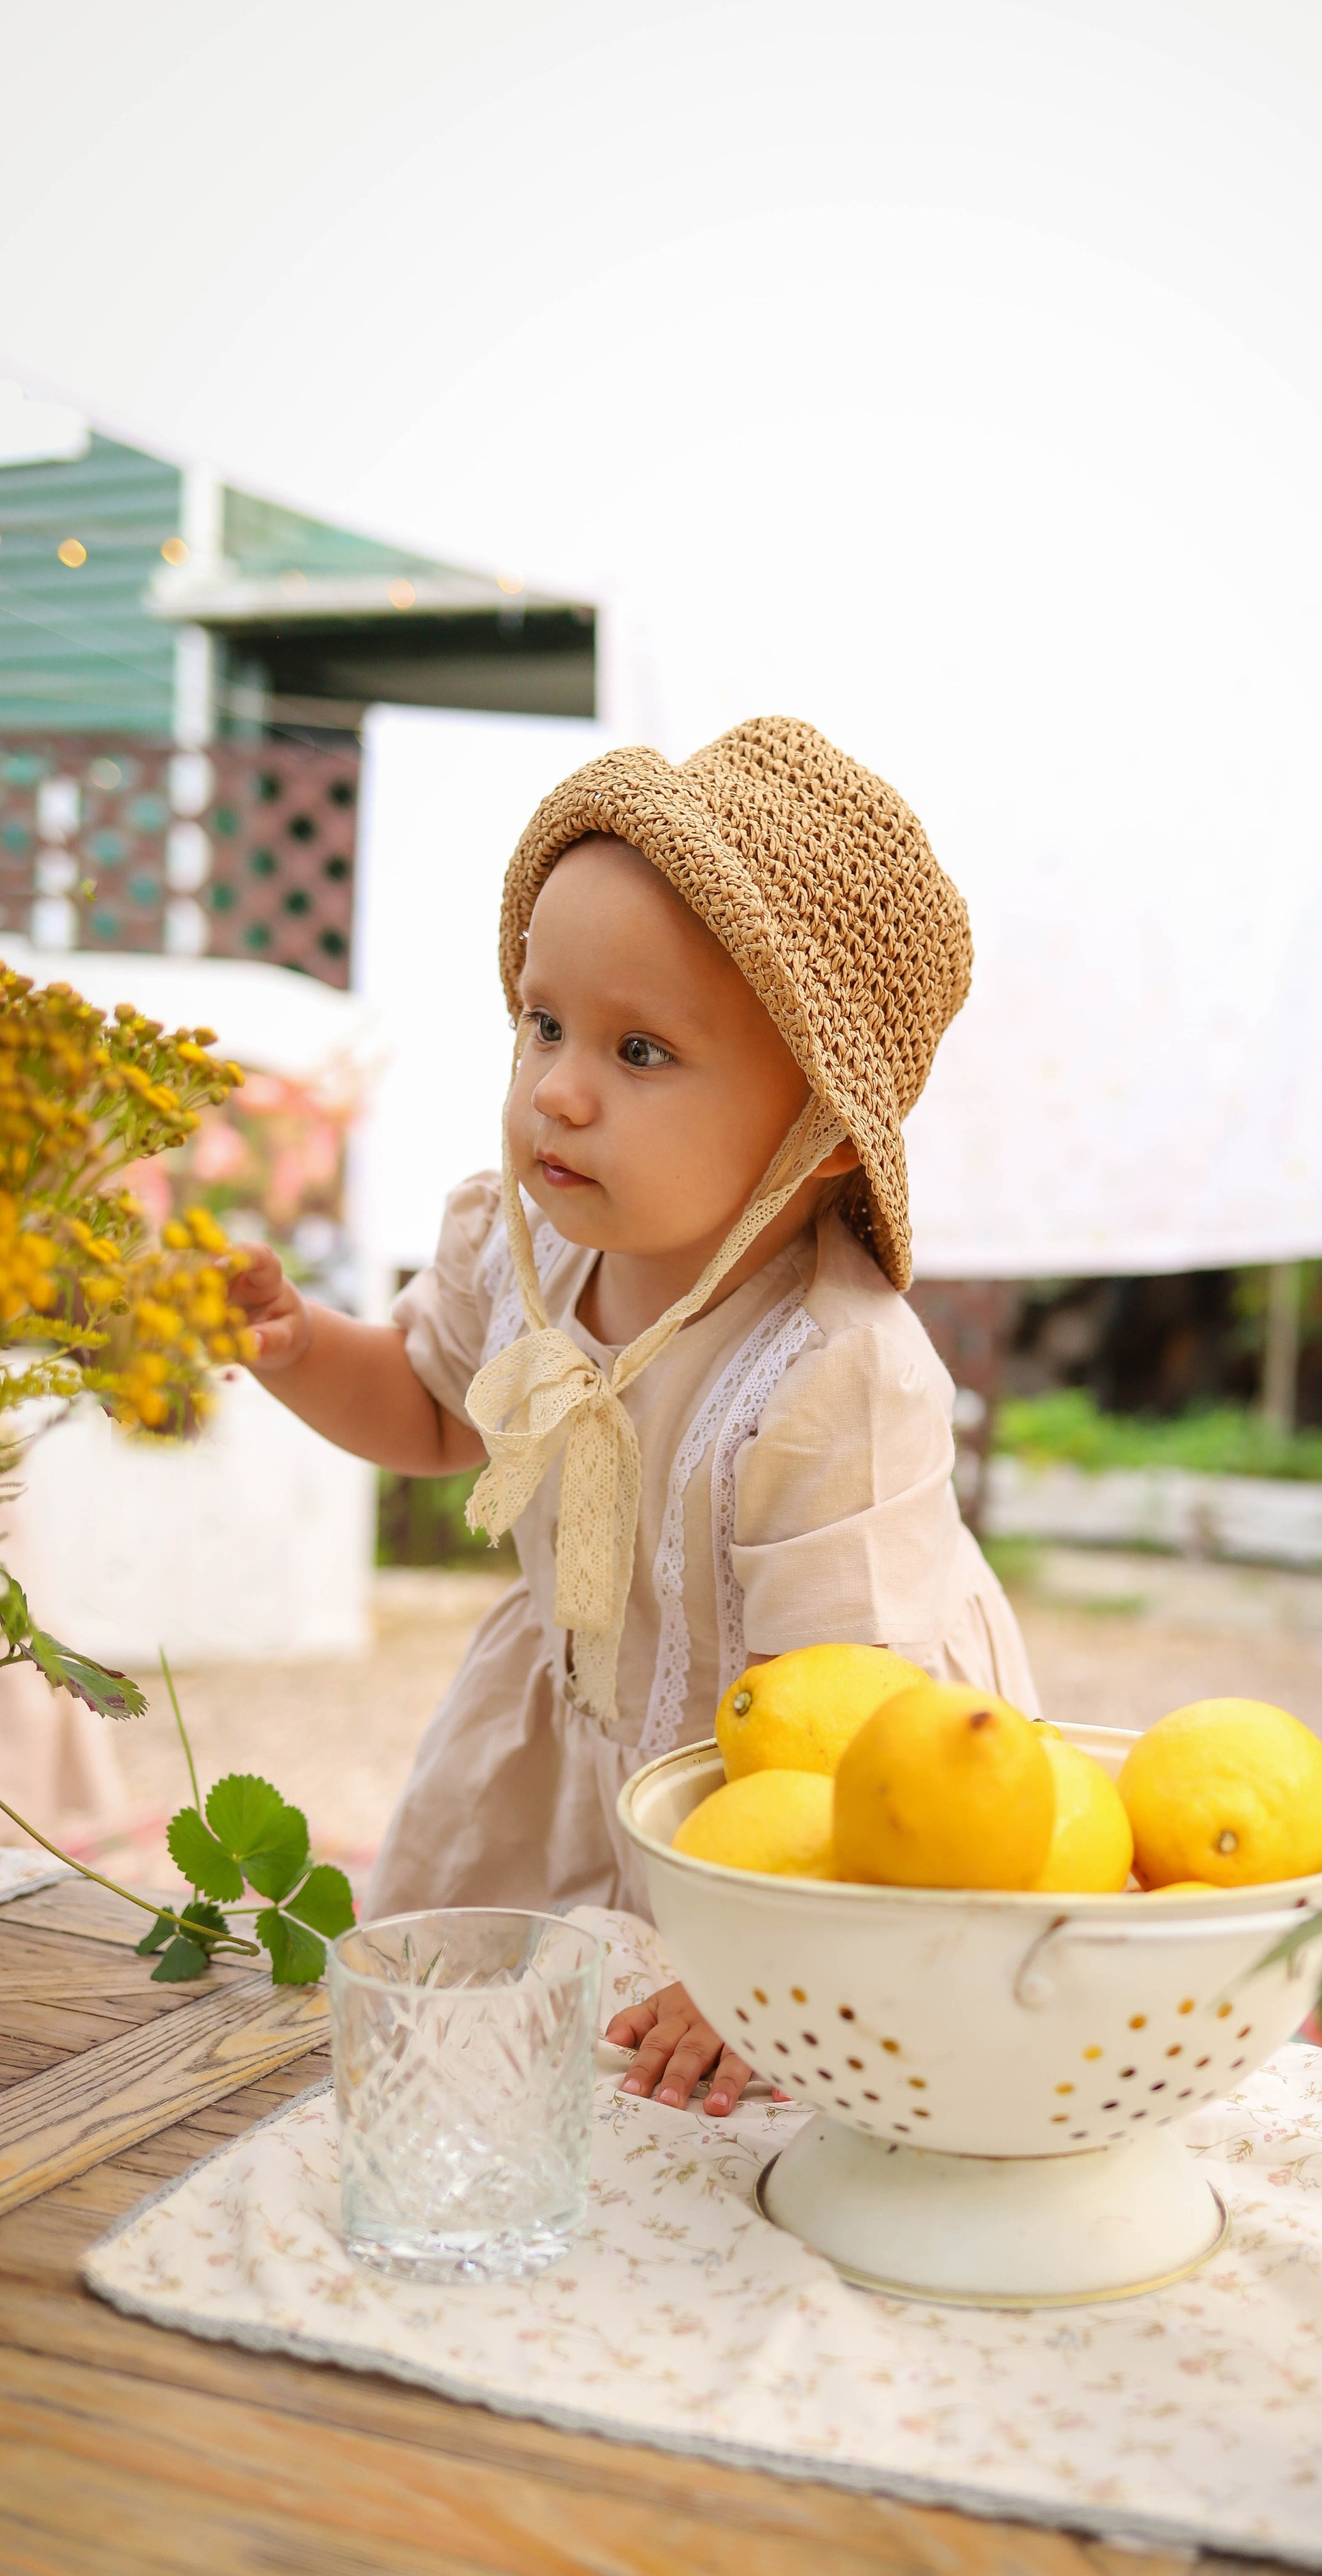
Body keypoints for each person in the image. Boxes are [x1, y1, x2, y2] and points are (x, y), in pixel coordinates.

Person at [229, 716, 1037, 2114]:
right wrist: (301, 1349)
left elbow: (851, 1727)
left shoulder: (830, 1369)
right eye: (541, 1022)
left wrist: (769, 1963)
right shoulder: (518, 1252)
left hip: (808, 1792)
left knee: (737, 2120)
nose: (556, 1085)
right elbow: (433, 1420)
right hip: (570, 1755)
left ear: (819, 1133)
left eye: (640, 1048)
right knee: (504, 2075)